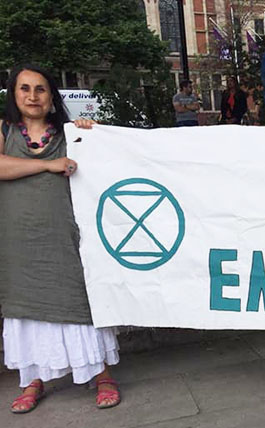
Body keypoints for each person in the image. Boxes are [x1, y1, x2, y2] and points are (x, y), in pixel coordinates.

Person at [0, 64, 121, 414]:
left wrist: (91, 135)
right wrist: (46, 165)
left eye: (40, 89)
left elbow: (102, 163)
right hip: (19, 240)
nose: (33, 96)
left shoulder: (68, 134)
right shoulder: (5, 130)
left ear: (52, 96)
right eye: (25, 89)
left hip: (65, 235)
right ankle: (32, 380)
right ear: (15, 94)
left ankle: (101, 374)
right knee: (26, 307)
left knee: (78, 299)